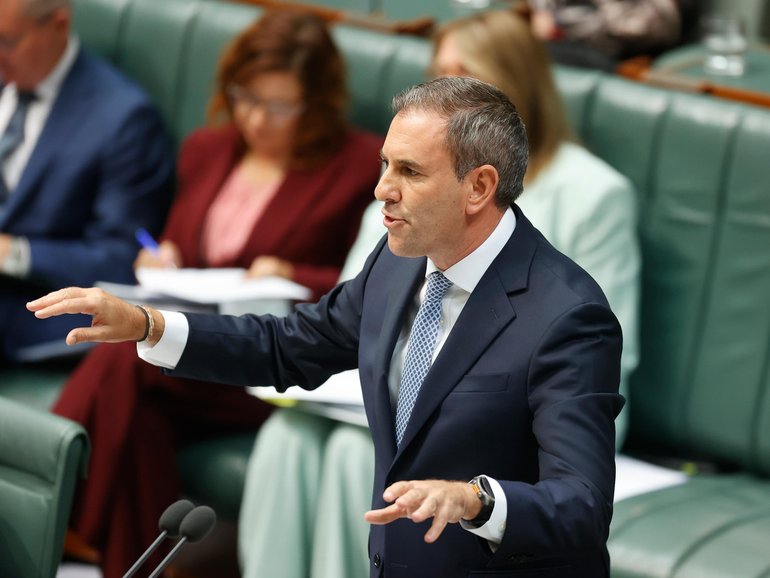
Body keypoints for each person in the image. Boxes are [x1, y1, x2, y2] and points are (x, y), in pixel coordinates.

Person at [30, 75, 624, 578]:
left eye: (410, 172)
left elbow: (582, 505)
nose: (382, 190)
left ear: (479, 187)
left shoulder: (566, 316)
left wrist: (476, 498)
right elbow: (289, 346)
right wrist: (148, 324)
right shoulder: (397, 264)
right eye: (384, 164)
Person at [237, 10, 640, 577]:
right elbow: (345, 317)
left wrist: (475, 496)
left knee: (359, 455)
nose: (443, 93)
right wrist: (152, 325)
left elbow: (592, 366)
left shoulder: (585, 211)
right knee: (289, 437)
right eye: (438, 73)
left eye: (466, 77)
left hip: (514, 433)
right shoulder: (407, 217)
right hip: (383, 396)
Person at [47, 10, 382, 578]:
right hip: (184, 358)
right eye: (246, 97)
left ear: (318, 102)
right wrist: (164, 256)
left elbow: (372, 284)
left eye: (279, 106)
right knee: (139, 414)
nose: (256, 118)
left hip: (269, 363)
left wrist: (295, 271)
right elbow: (181, 243)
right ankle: (148, 566)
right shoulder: (208, 149)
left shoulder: (356, 166)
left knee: (125, 363)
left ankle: (51, 509)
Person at [0, 0, 174, 363]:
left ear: (58, 25)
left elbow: (120, 258)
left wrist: (13, 253)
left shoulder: (124, 119)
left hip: (26, 305)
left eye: (7, 41)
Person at [527, 0, 697, 70]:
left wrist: (559, 21)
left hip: (617, 54)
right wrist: (543, 12)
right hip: (562, 36)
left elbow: (653, 25)